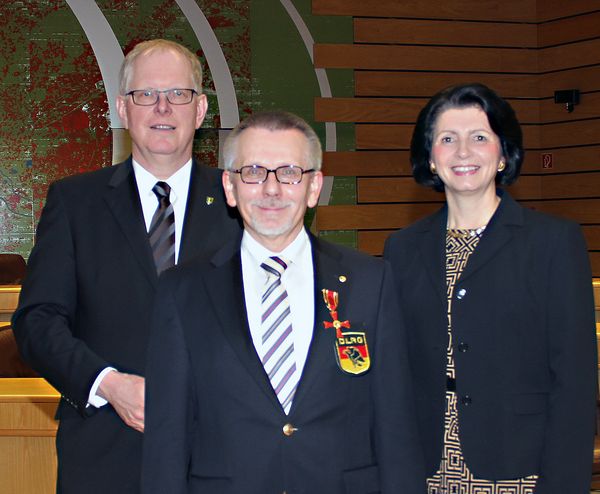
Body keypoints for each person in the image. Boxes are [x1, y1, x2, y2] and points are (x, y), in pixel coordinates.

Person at [142, 110, 424, 493]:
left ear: (313, 187)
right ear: (229, 186)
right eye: (254, 172)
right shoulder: (182, 291)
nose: (271, 189)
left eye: (289, 172)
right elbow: (166, 440)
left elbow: (397, 426)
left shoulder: (370, 282)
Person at [12, 39, 241, 493]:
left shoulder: (240, 200)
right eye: (145, 95)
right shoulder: (74, 202)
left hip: (222, 452)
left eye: (178, 94)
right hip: (104, 452)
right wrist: (108, 384)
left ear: (200, 111)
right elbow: (38, 321)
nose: (162, 107)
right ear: (122, 109)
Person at [384, 83, 597, 493]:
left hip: (520, 467)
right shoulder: (403, 248)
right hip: (426, 467)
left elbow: (575, 381)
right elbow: (395, 374)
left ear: (503, 154)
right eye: (447, 139)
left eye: (480, 137)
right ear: (430, 158)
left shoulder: (553, 242)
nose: (463, 152)